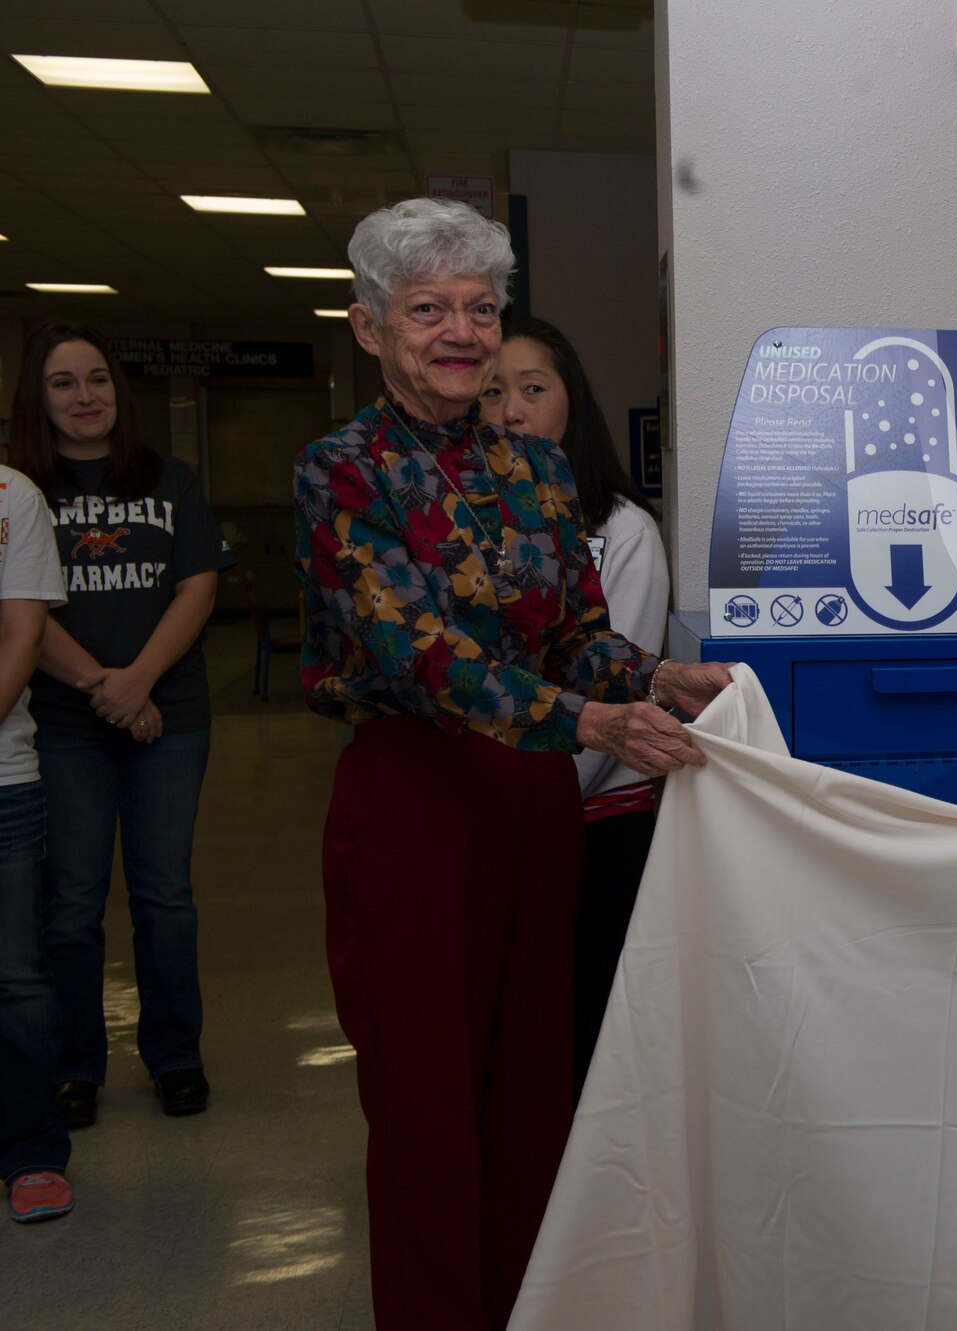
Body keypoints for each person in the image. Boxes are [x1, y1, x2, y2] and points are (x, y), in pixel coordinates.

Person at [295, 197, 731, 1331]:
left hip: (536, 809)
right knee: (428, 1104)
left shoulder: (536, 472)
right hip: (415, 804)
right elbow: (417, 650)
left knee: (537, 1093)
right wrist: (590, 719)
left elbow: (575, 631)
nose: (458, 331)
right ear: (370, 326)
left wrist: (651, 677)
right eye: (427, 308)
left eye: (478, 309)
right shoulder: (342, 471)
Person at [13, 322, 231, 1129]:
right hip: (69, 722)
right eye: (63, 383)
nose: (84, 396)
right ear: (38, 400)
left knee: (163, 895)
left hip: (168, 719)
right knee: (71, 902)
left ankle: (176, 1056)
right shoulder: (22, 493)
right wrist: (103, 688)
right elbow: (21, 610)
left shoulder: (170, 480)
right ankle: (76, 1064)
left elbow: (197, 589)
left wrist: (137, 682)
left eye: (97, 379)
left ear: (118, 390)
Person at [478, 315, 671, 1101]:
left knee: (585, 1035)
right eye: (492, 391)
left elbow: (609, 690)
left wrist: (535, 805)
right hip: (493, 817)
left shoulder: (621, 529)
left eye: (532, 388)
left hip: (589, 824)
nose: (511, 410)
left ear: (571, 402)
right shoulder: (453, 523)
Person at [0, 464, 73, 1223]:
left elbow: (23, 633)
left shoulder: (10, 496)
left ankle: (30, 1151)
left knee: (16, 976)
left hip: (3, 777)